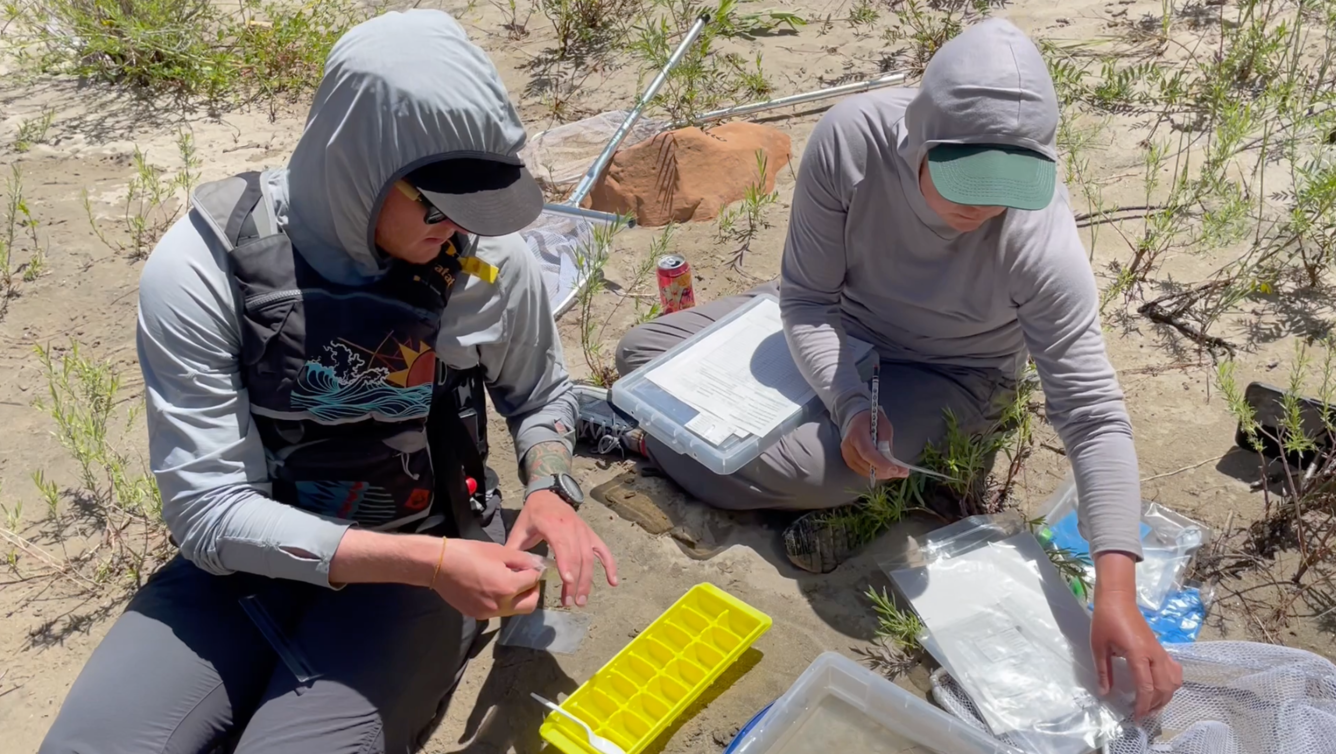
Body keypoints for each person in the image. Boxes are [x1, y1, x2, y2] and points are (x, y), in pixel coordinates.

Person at [39, 10, 616, 753]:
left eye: (473, 207)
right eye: (436, 204)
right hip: (248, 566)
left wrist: (548, 487)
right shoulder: (203, 268)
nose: (457, 229)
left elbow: (539, 395)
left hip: (418, 563)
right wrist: (436, 564)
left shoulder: (491, 264)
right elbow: (208, 513)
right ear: (358, 169)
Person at [609, 18, 1181, 718]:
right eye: (968, 179)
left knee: (816, 469)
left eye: (1009, 182)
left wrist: (1117, 591)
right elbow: (808, 299)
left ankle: (658, 442)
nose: (986, 204)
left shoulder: (1039, 241)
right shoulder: (851, 140)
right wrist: (850, 402)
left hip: (951, 371)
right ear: (917, 137)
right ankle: (689, 441)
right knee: (639, 356)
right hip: (835, 323)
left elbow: (1093, 413)